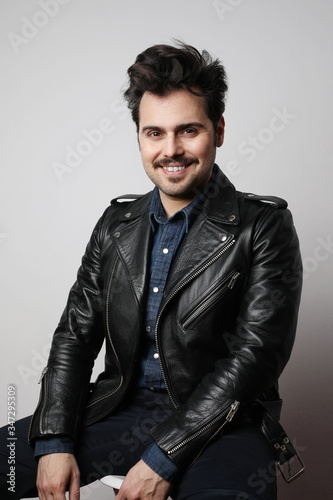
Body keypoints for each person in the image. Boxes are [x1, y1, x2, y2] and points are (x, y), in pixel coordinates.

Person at [0, 42, 302, 500]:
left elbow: (254, 358)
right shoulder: (115, 224)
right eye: (154, 133)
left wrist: (162, 456)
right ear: (139, 136)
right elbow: (75, 337)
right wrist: (55, 438)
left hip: (224, 421)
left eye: (188, 130)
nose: (171, 150)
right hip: (116, 409)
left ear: (218, 131)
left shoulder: (264, 226)